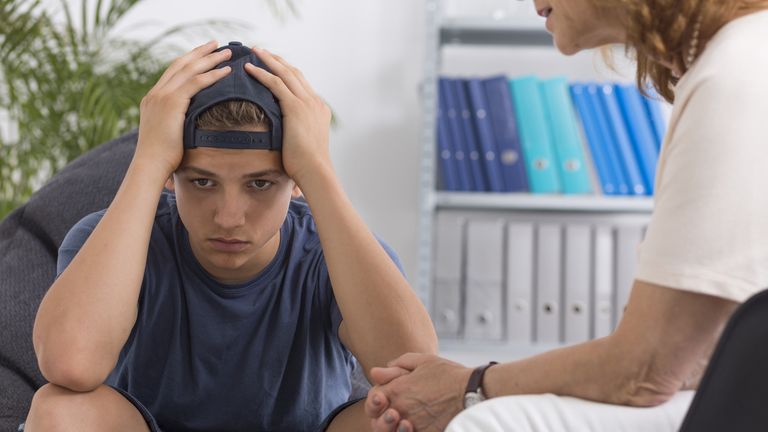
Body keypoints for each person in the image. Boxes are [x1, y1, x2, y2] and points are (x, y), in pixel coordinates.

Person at [365, 0, 768, 430]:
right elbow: (687, 355)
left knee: (492, 422)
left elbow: (646, 371)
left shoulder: (735, 69)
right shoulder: (739, 56)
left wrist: (468, 387)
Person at [22, 41, 437, 431]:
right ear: (172, 175)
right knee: (60, 410)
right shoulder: (108, 239)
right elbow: (70, 363)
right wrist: (148, 159)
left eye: (260, 184)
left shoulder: (333, 253)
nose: (229, 217)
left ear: (295, 180)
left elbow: (418, 375)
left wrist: (318, 169)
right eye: (203, 182)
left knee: (411, 414)